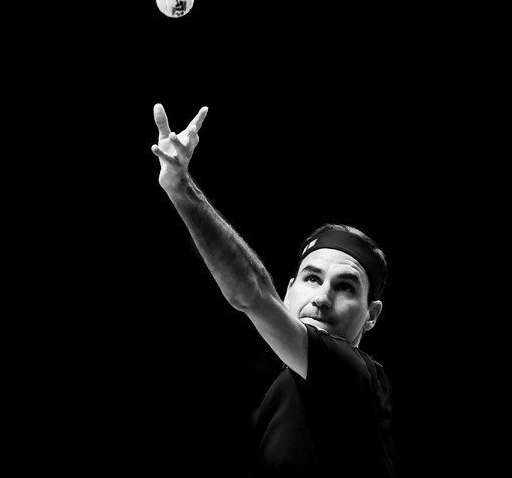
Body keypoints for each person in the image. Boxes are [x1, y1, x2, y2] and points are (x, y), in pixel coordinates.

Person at [150, 103, 395, 477]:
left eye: (345, 287)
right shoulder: (290, 388)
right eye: (312, 279)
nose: (322, 298)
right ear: (290, 291)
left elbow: (251, 293)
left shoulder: (357, 376)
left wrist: (180, 186)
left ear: (372, 315)